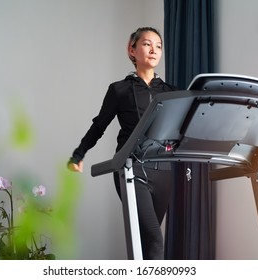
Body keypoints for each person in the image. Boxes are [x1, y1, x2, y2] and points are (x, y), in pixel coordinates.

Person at [67, 27, 176, 260]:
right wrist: (78, 155)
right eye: (147, 44)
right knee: (155, 239)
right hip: (131, 169)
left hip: (163, 171)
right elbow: (99, 125)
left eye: (158, 46)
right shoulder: (119, 90)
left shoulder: (171, 92)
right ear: (132, 50)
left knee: (146, 242)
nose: (154, 50)